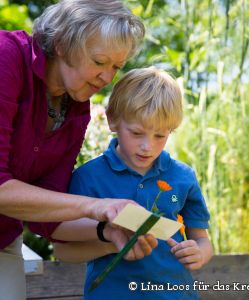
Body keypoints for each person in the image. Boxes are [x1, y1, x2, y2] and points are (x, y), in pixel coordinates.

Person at [0, 1, 158, 299]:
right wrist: (97, 206)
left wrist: (106, 232)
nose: (108, 78)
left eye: (116, 67)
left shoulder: (76, 110)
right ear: (64, 44)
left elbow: (46, 218)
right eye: (99, 61)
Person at [53, 67, 213, 299]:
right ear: (112, 121)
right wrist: (111, 242)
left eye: (160, 135)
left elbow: (202, 240)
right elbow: (63, 251)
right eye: (137, 133)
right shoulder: (88, 178)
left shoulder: (183, 176)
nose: (147, 146)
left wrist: (199, 253)